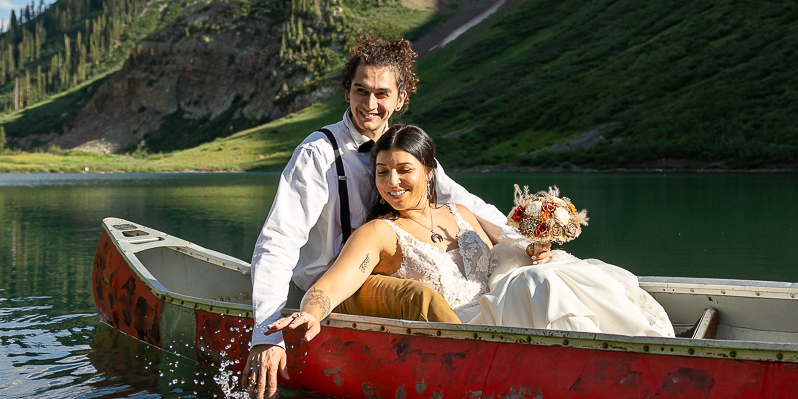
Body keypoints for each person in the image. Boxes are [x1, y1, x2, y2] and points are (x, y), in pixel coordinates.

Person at [245, 36, 530, 399]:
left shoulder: (406, 150)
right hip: (337, 284)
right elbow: (278, 242)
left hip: (393, 263)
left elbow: (468, 204)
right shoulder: (318, 154)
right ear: (346, 92)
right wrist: (267, 334)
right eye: (360, 91)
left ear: (400, 99)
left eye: (382, 93)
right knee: (419, 297)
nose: (369, 104)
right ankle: (484, 376)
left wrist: (524, 242)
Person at [267, 125, 673, 344]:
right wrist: (311, 313)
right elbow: (333, 284)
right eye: (382, 172)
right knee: (538, 283)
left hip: (504, 305)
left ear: (429, 172)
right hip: (470, 327)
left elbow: (505, 254)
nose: (392, 182)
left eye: (404, 170)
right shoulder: (380, 232)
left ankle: (634, 343)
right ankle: (618, 354)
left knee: (554, 272)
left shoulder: (459, 212)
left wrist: (536, 249)